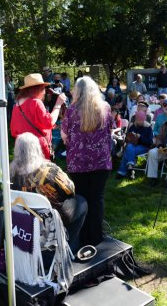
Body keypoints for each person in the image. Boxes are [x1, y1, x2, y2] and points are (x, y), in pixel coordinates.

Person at [10, 132, 88, 252]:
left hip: (27, 218)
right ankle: (68, 244)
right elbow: (70, 189)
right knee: (82, 202)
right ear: (37, 148)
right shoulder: (49, 170)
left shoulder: (12, 173)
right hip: (51, 218)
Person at [61, 76, 112, 246]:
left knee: (81, 200)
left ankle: (82, 236)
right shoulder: (105, 108)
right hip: (101, 162)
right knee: (97, 199)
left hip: (78, 163)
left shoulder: (71, 110)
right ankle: (96, 236)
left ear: (78, 90)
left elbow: (64, 137)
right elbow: (109, 131)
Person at [11, 73, 67, 160]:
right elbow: (49, 122)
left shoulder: (17, 104)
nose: (44, 91)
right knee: (41, 173)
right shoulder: (36, 102)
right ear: (38, 88)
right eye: (43, 88)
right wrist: (58, 104)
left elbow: (13, 129)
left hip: (22, 148)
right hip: (37, 149)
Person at [115, 110, 153, 180]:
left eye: (141, 120)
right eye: (138, 120)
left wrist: (140, 137)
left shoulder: (148, 128)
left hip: (144, 147)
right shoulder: (133, 126)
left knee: (128, 149)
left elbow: (149, 142)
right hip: (132, 145)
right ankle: (130, 167)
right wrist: (132, 136)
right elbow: (127, 139)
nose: (139, 122)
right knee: (129, 147)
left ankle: (122, 172)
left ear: (144, 119)